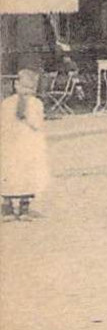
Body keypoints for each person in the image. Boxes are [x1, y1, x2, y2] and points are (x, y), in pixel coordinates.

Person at [1, 70, 51, 221]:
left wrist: (27, 118)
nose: (27, 92)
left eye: (31, 89)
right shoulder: (7, 103)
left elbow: (38, 124)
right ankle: (7, 207)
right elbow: (3, 123)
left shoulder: (36, 104)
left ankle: (24, 206)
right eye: (24, 87)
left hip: (28, 143)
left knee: (27, 174)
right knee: (9, 173)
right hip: (12, 143)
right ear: (16, 85)